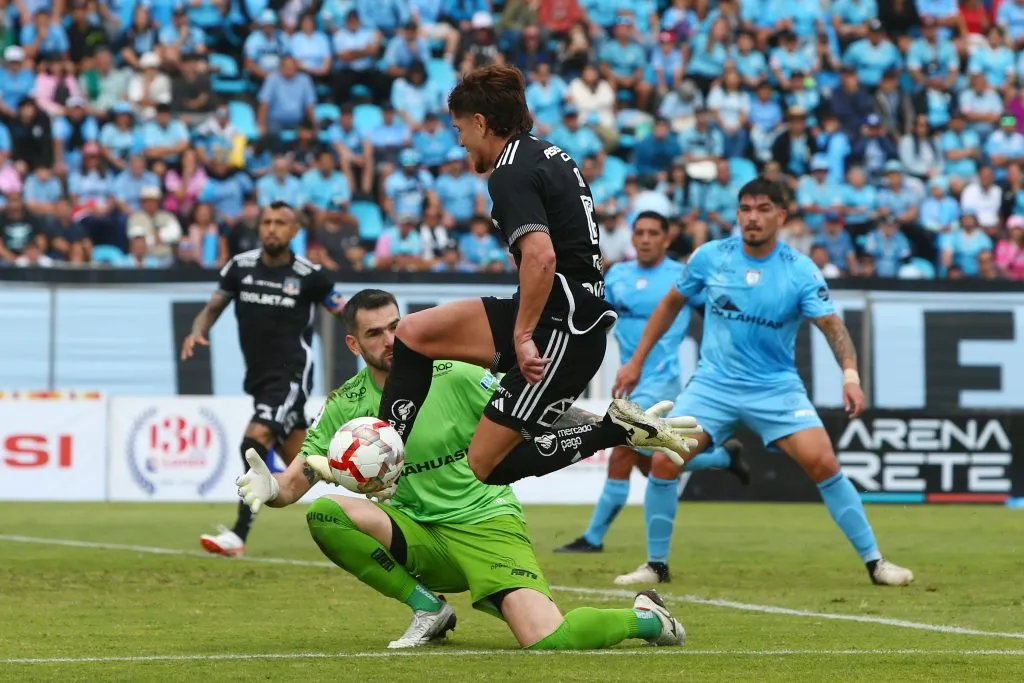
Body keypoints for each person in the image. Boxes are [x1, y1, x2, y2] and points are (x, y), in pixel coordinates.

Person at [235, 289, 688, 650]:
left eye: (396, 327)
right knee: (326, 513)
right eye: (375, 334)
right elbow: (297, 482)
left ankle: (648, 618)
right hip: (418, 534)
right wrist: (270, 487)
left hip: (485, 523)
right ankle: (427, 608)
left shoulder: (454, 373)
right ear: (353, 344)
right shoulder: (344, 405)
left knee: (551, 638)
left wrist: (618, 427)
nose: (391, 341)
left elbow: (539, 413)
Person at [376, 64, 695, 487]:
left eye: (459, 130)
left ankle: (614, 429)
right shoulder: (546, 153)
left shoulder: (509, 172)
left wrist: (523, 336)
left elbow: (541, 257)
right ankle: (384, 455)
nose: (459, 141)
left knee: (485, 464)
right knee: (414, 332)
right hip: (554, 310)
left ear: (480, 122)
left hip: (563, 327)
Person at [612, 178, 915, 587]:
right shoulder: (710, 257)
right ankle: (656, 566)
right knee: (664, 459)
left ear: (781, 215)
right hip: (713, 386)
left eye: (763, 208)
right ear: (737, 213)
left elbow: (833, 328)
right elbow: (670, 304)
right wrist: (635, 362)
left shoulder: (800, 271)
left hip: (775, 388)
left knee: (823, 462)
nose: (752, 217)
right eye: (746, 208)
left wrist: (851, 377)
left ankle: (877, 564)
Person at [555, 211, 750, 556]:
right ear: (632, 238)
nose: (645, 239)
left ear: (666, 238)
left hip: (661, 381)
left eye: (652, 233)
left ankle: (593, 538)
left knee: (620, 450)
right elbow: (595, 316)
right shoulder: (619, 275)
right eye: (639, 233)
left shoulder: (681, 276)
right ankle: (721, 458)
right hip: (629, 381)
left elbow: (720, 314)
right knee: (647, 461)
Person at [180, 200, 345, 556]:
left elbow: (346, 313)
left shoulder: (310, 275)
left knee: (253, 442)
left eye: (280, 222)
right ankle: (379, 489)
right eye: (266, 222)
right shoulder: (240, 268)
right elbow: (212, 308)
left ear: (294, 231)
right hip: (259, 379)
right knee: (308, 464)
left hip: (290, 376)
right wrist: (197, 331)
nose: (271, 228)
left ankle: (238, 535)